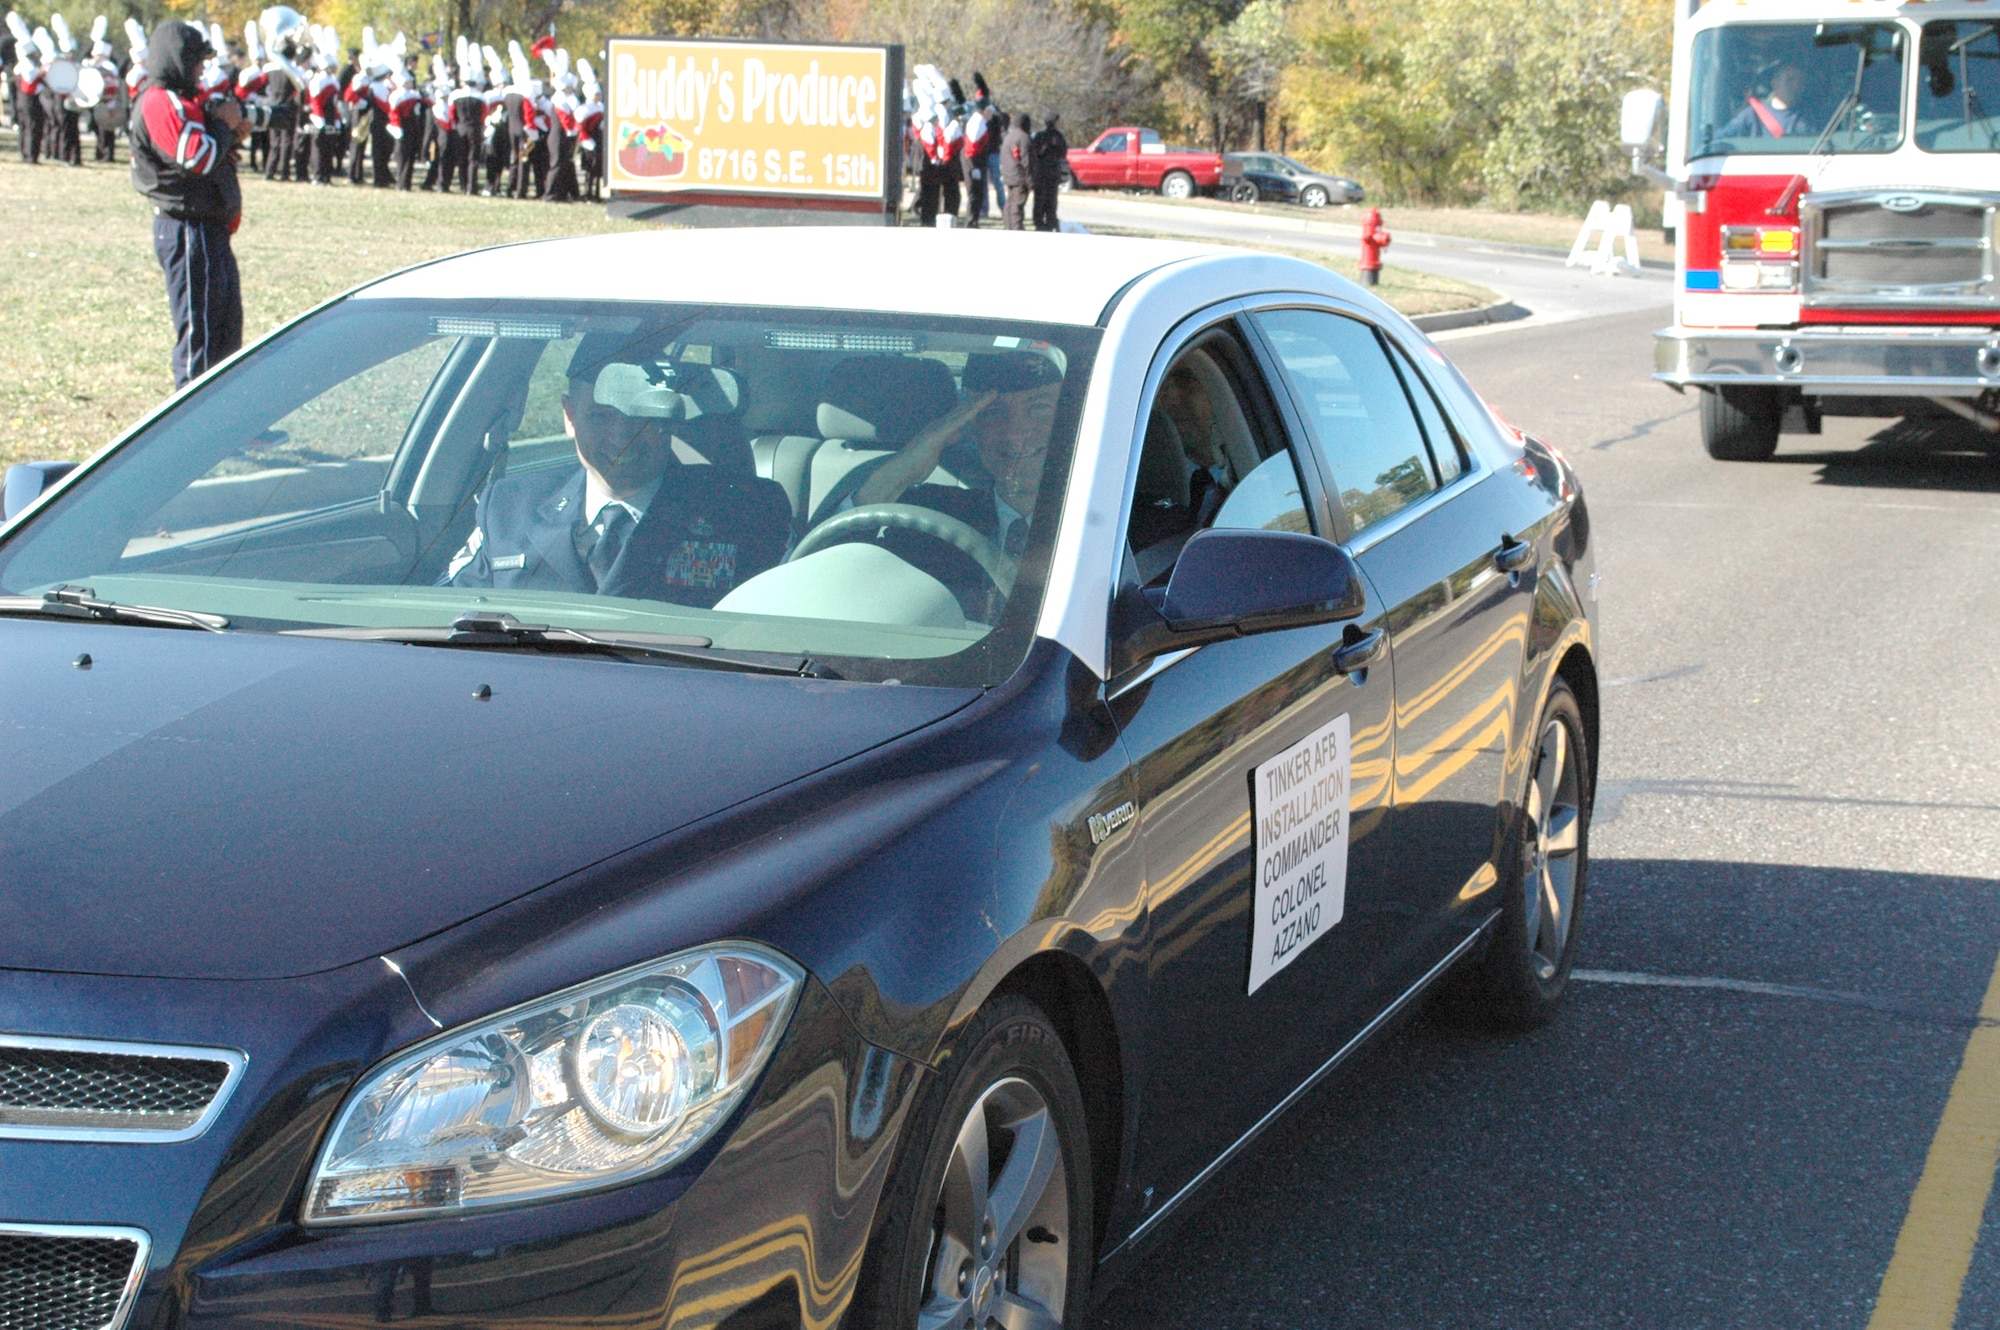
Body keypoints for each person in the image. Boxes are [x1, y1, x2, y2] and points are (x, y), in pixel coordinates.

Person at [443, 342, 790, 608]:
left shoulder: (746, 512)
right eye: (600, 417)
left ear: (667, 418)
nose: (622, 437)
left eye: (640, 418)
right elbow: (445, 614)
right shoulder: (508, 507)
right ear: (569, 416)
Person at [130, 20, 243, 388]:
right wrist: (224, 128)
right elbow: (198, 158)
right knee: (200, 338)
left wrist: (226, 133)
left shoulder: (182, 99)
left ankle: (228, 423)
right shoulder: (160, 100)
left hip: (207, 229)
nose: (201, 69)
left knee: (225, 334)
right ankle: (193, 428)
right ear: (178, 60)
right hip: (187, 229)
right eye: (197, 61)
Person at [1722, 64, 1809, 139]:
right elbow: (1720, 141)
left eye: (1800, 81)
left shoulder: (1809, 117)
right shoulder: (1752, 115)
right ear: (1774, 83)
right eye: (1790, 80)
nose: (1795, 85)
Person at [1029, 113, 1067, 232]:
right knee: (1040, 198)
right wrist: (1044, 148)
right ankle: (1039, 222)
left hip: (1053, 172)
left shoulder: (1058, 136)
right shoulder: (1040, 136)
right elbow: (1034, 152)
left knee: (1051, 199)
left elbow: (1063, 152)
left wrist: (1056, 146)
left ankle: (1051, 221)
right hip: (1041, 172)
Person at [1000, 111, 1031, 230]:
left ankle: (1008, 227)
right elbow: (1026, 160)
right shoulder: (1023, 137)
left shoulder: (1008, 136)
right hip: (1019, 177)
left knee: (1010, 204)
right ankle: (1017, 230)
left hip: (1009, 176)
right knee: (1017, 206)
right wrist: (1030, 179)